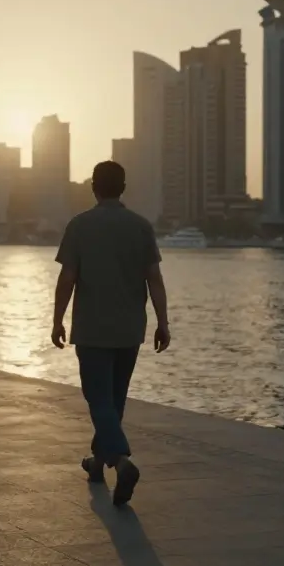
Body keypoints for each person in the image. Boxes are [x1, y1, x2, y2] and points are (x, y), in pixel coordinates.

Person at [51, 160, 170, 507]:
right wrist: (163, 322)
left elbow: (67, 278)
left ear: (94, 187)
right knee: (113, 400)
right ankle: (96, 464)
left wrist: (57, 319)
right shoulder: (140, 227)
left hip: (92, 329)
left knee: (99, 399)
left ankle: (120, 461)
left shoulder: (80, 226)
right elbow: (155, 279)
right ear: (123, 187)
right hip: (130, 329)